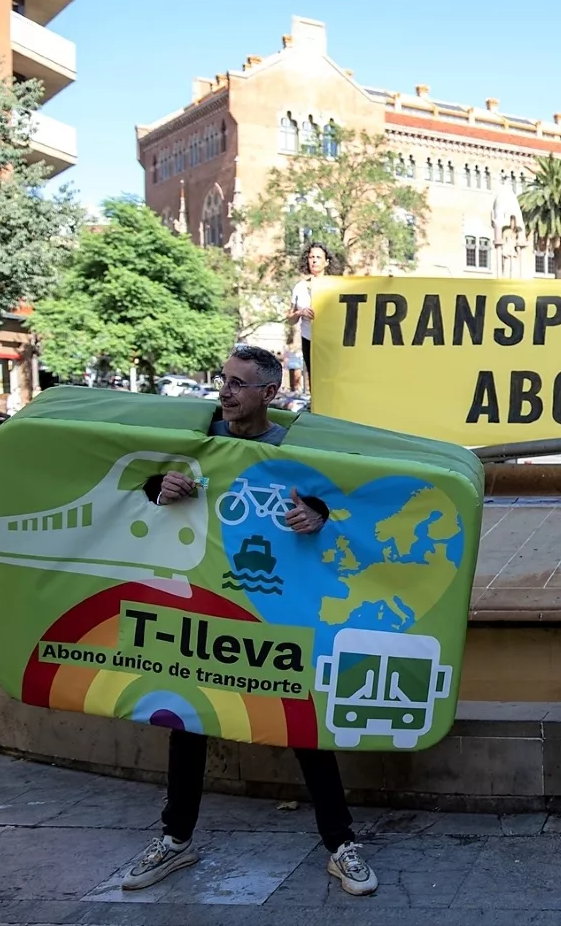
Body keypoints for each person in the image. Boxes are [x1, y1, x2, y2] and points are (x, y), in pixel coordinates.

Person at [122, 345, 376, 897]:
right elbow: (140, 485)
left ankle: (340, 844)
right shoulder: (194, 437)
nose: (226, 392)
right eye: (223, 380)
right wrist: (159, 488)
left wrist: (317, 515)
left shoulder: (295, 448)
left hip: (277, 608)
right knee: (186, 716)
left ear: (269, 393)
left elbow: (337, 501)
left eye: (238, 384)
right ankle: (175, 840)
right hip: (205, 602)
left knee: (300, 717)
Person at [287, 242, 332, 388]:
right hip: (309, 338)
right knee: (313, 376)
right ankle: (315, 405)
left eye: (318, 257)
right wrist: (300, 313)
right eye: (311, 257)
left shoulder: (335, 285)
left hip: (330, 339)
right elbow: (290, 319)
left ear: (326, 262)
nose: (314, 260)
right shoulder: (300, 287)